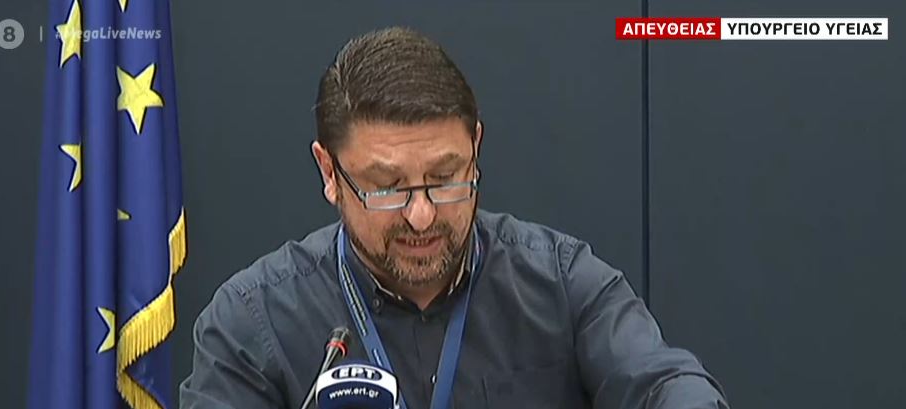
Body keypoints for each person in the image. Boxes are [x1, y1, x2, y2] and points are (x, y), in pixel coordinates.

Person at [180, 26, 728, 409]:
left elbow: (665, 384)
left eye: (445, 178)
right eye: (388, 188)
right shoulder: (251, 320)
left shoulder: (563, 283)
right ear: (329, 172)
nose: (422, 216)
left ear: (476, 149)